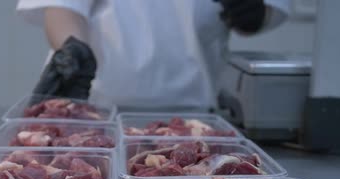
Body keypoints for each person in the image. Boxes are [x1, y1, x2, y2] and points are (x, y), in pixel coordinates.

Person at [17, 0, 290, 109]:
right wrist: (73, 49)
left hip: (193, 118)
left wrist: (253, 12)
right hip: (94, 110)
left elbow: (265, 11)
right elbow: (62, 9)